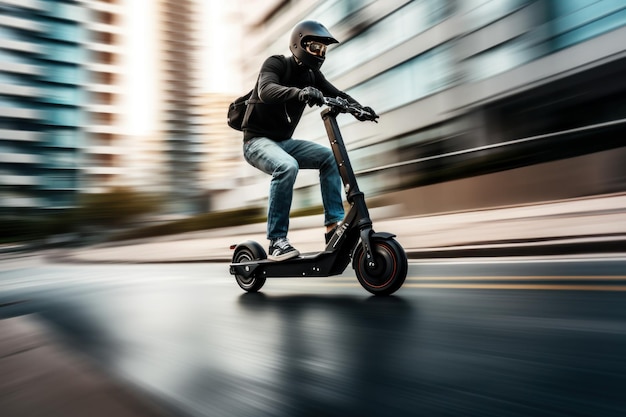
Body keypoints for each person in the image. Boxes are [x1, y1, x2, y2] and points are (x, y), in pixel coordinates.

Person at [242, 20, 377, 261]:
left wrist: (359, 109)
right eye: (315, 47)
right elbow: (266, 90)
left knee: (328, 157)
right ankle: (276, 241)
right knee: (287, 166)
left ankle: (332, 227)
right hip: (256, 142)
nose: (320, 53)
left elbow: (338, 95)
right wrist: (299, 92)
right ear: (299, 44)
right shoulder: (276, 64)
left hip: (282, 143)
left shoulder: (312, 75)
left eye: (323, 50)